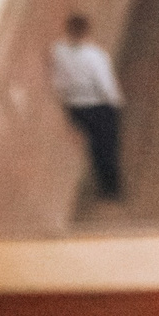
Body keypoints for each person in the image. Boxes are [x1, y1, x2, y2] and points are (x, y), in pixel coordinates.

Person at [53, 14, 123, 200]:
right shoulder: (95, 55)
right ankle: (111, 189)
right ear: (86, 32)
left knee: (93, 146)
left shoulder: (58, 50)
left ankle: (102, 184)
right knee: (107, 147)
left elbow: (58, 81)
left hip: (75, 107)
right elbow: (105, 84)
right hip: (99, 106)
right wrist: (116, 104)